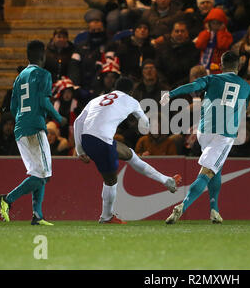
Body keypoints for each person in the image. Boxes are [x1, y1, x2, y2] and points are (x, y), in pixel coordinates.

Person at [73, 77, 182, 224]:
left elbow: (77, 122)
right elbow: (145, 125)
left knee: (130, 154)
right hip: (102, 142)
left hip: (88, 139)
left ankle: (166, 180)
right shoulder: (132, 101)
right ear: (131, 91)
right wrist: (140, 124)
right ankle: (106, 217)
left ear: (114, 89)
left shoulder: (97, 99)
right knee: (111, 181)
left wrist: (80, 150)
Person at [160, 51, 250, 224]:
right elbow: (243, 110)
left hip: (204, 131)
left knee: (215, 168)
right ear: (238, 67)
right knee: (207, 171)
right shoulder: (246, 87)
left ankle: (214, 210)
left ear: (221, 65)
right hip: (224, 134)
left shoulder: (212, 79)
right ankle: (183, 206)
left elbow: (193, 86)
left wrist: (171, 94)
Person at [0, 40, 67, 226]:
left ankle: (37, 215)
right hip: (35, 127)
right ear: (43, 55)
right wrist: (59, 119)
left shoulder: (19, 78)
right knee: (44, 174)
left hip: (20, 128)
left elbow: (12, 107)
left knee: (39, 173)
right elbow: (44, 102)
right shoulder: (43, 74)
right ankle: (7, 199)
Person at [155, 20, 201, 88]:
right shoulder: (163, 48)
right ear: (172, 33)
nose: (179, 34)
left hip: (185, 87)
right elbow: (158, 68)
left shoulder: (194, 49)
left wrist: (181, 85)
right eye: (177, 31)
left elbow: (194, 71)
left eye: (182, 31)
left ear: (187, 33)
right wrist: (164, 83)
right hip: (164, 86)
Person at [195, 7, 233, 74]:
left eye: (218, 23)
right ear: (209, 23)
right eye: (213, 23)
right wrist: (207, 32)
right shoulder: (204, 33)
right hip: (202, 65)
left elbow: (222, 45)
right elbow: (199, 45)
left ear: (222, 24)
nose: (215, 26)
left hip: (217, 68)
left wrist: (221, 32)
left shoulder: (227, 35)